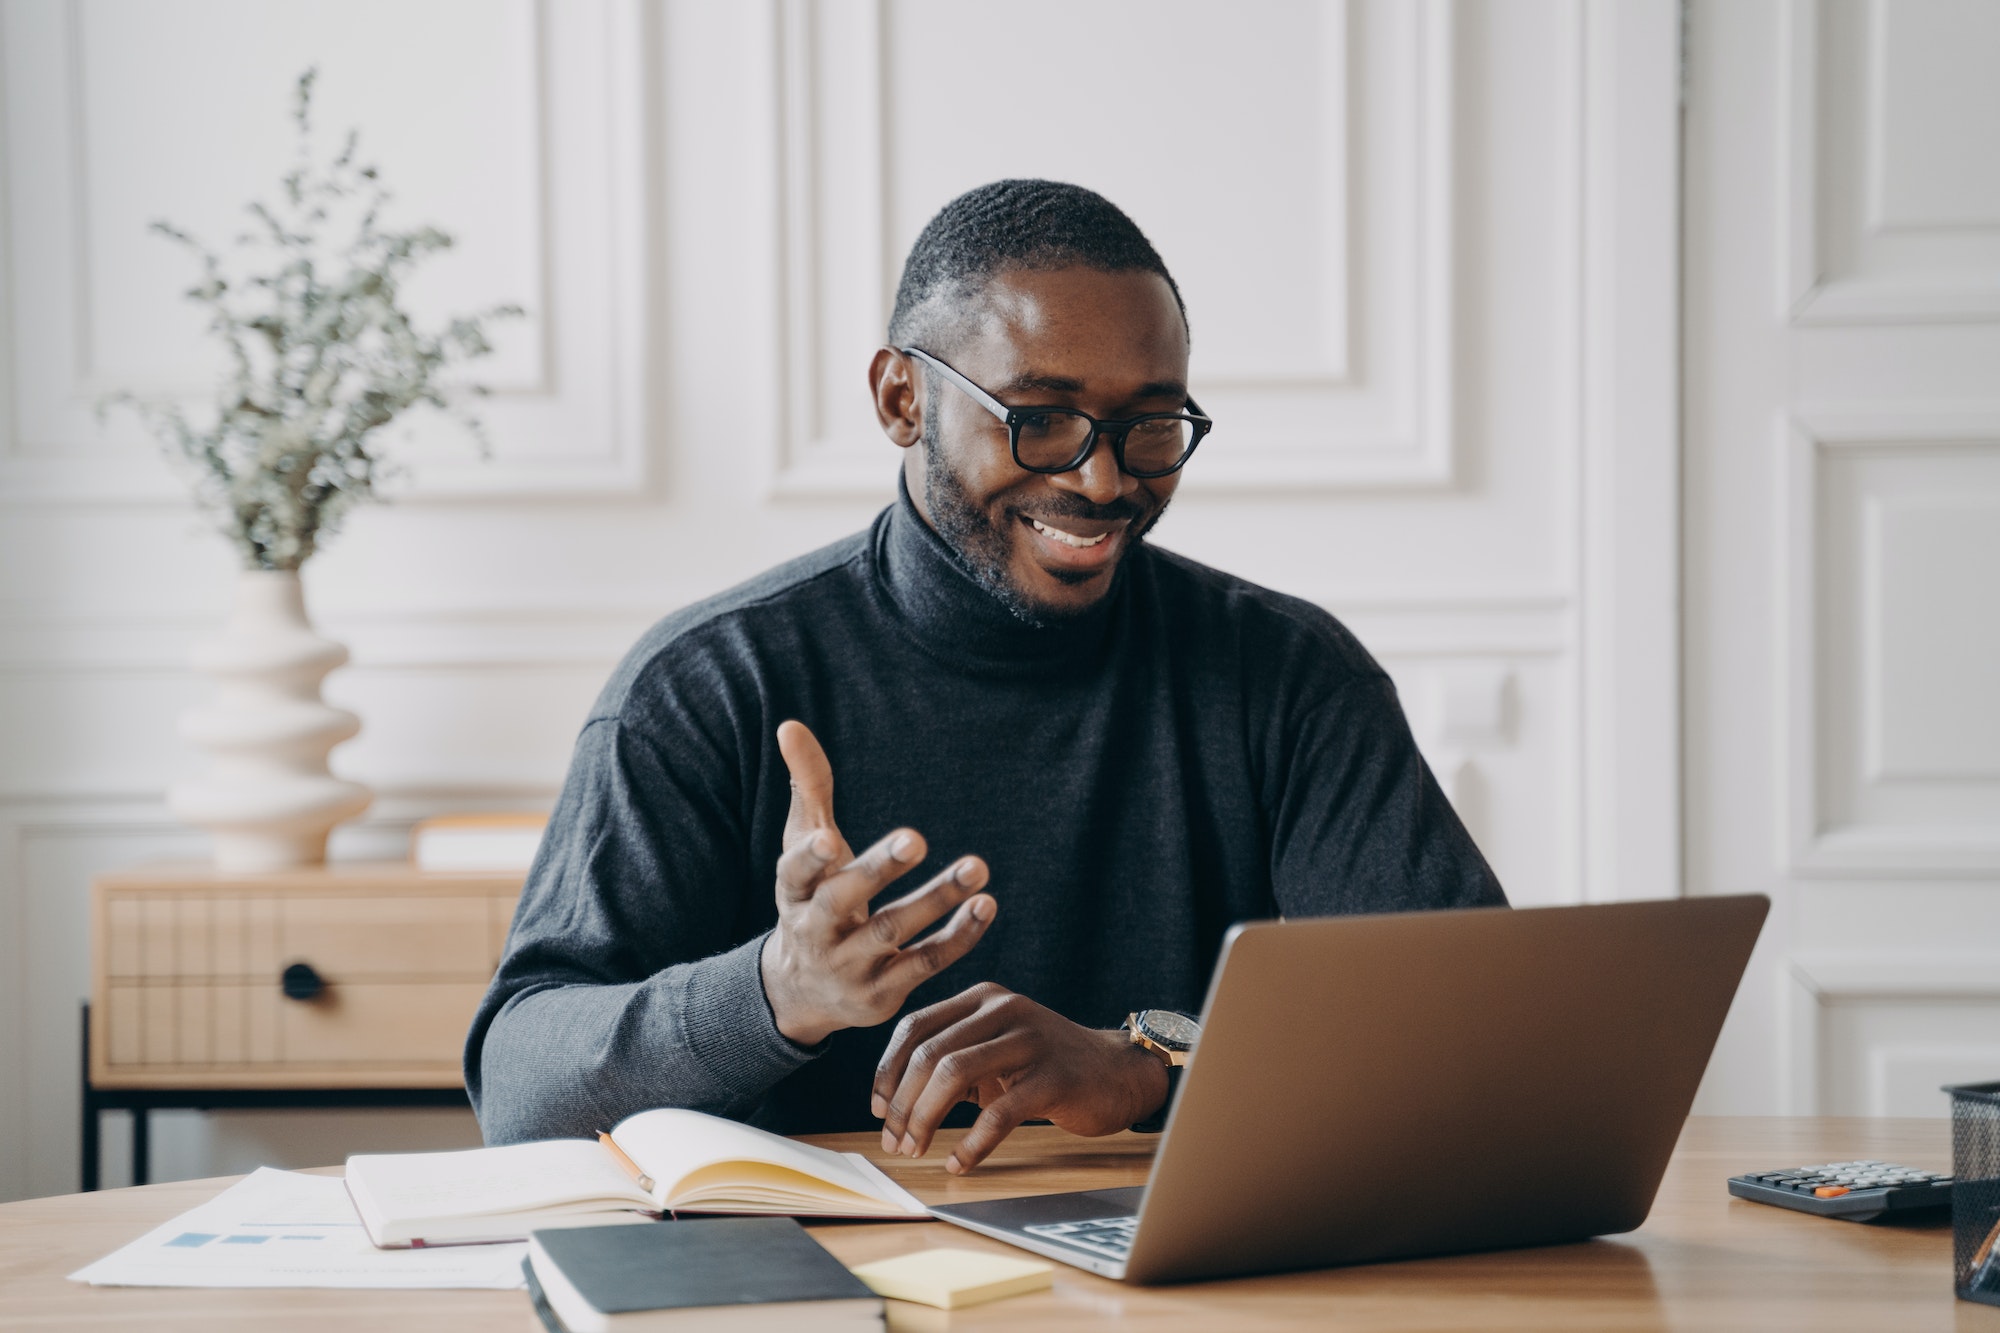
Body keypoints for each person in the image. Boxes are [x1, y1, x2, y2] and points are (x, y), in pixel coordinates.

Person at [467, 180, 1505, 1174]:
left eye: (1150, 425)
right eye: (1038, 419)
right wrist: (779, 990)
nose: (1101, 481)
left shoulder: (1288, 676)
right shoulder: (706, 685)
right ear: (900, 396)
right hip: (806, 1281)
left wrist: (1149, 1064)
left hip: (1167, 1281)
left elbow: (1471, 1036)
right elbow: (519, 1087)